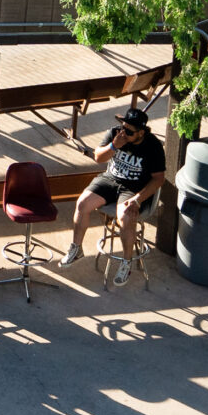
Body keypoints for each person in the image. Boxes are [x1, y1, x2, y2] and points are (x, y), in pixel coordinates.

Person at [59, 107, 165, 286]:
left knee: (125, 217)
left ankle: (126, 262)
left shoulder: (153, 146)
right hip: (110, 180)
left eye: (129, 131)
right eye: (123, 127)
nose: (124, 132)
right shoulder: (116, 134)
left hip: (133, 188)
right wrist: (114, 145)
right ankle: (76, 249)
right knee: (82, 203)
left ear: (141, 132)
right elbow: (98, 158)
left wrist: (137, 199)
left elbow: (158, 179)